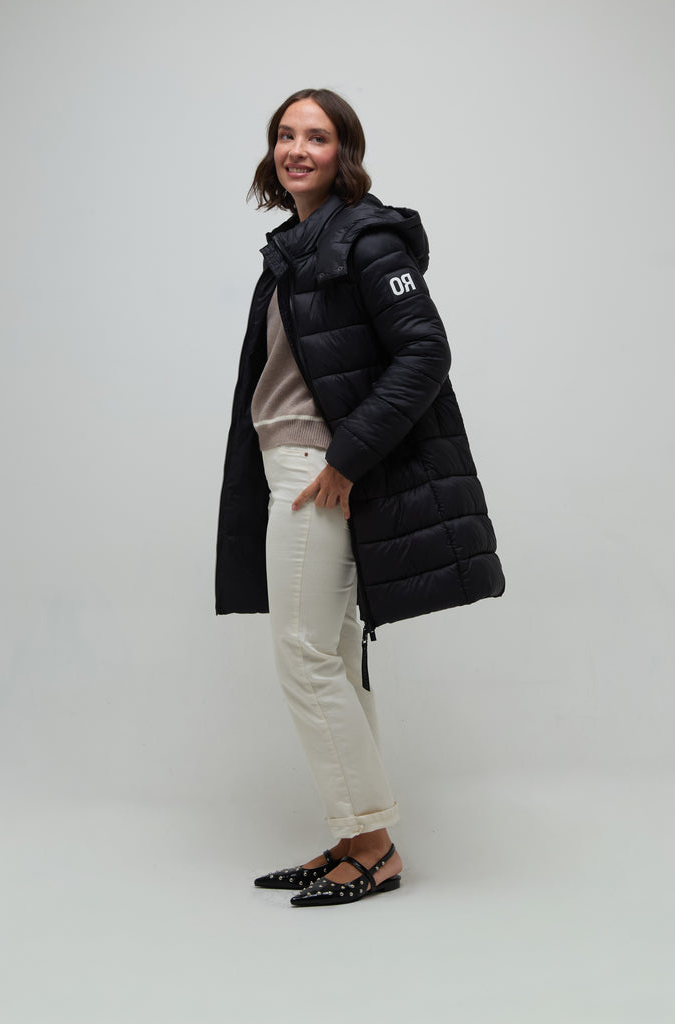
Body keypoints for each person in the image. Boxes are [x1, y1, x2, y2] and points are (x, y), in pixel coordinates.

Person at [215, 88, 505, 908]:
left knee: (304, 655)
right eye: (285, 134)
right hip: (294, 463)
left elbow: (425, 352)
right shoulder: (297, 246)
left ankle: (374, 848)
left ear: (345, 152)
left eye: (317, 136)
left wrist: (345, 459)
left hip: (318, 469)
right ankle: (354, 836)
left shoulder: (366, 239)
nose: (297, 149)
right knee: (333, 658)